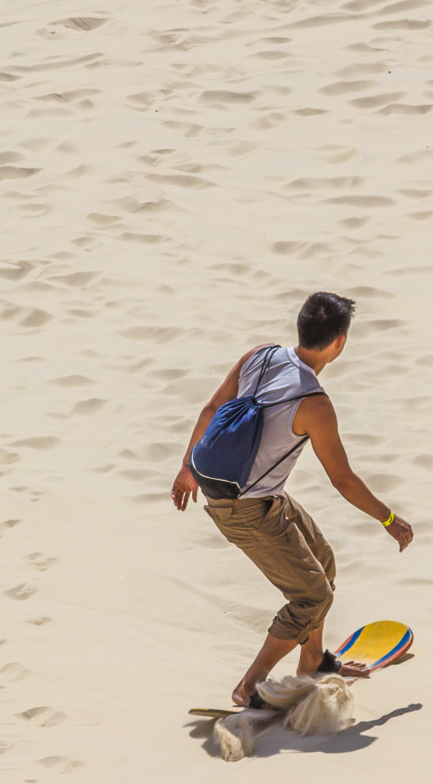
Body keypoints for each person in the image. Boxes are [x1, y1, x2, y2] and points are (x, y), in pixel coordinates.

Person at [170, 292, 413, 707]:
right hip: (246, 509)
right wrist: (389, 519)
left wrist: (186, 468)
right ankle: (249, 686)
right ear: (340, 341)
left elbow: (212, 408)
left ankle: (313, 660)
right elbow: (343, 479)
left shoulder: (261, 355)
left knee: (323, 564)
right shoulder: (315, 403)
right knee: (312, 596)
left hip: (251, 495)